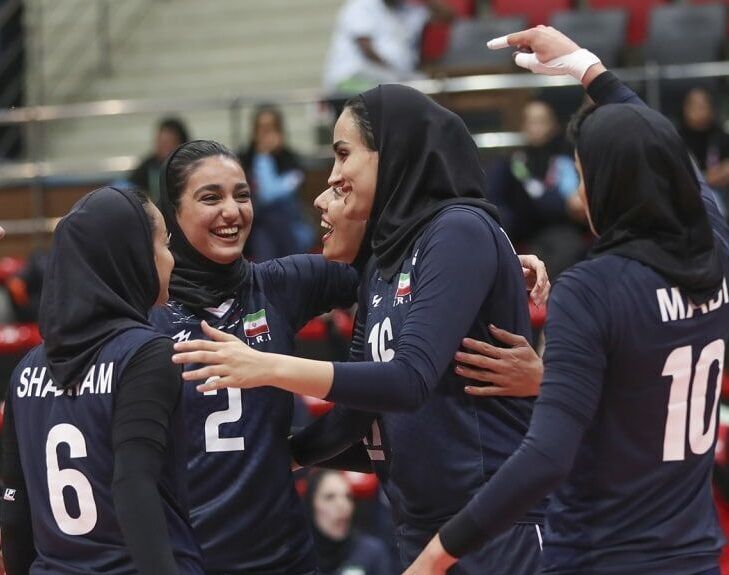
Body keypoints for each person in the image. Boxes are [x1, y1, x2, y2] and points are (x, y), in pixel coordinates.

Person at [173, 86, 549, 574]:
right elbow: (357, 414)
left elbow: (410, 379)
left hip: (490, 522)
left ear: (389, 151)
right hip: (419, 524)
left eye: (343, 154)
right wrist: (286, 454)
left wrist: (268, 366)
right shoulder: (384, 262)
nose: (332, 176)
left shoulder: (457, 229)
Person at [403, 27, 729, 575]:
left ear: (611, 184)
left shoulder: (592, 286)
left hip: (602, 556)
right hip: (695, 555)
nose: (580, 196)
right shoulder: (715, 251)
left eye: (584, 177)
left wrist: (438, 554)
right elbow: (672, 157)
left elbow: (547, 457)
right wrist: (586, 67)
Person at [0, 187, 204, 574]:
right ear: (131, 256)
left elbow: (12, 507)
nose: (172, 259)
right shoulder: (145, 353)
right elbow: (133, 487)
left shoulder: (24, 369)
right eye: (164, 243)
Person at [488, 98, 587, 276]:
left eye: (542, 121)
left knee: (565, 250)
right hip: (527, 233)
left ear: (554, 125)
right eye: (531, 121)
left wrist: (560, 205)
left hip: (564, 231)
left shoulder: (566, 160)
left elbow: (574, 205)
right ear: (523, 126)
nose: (536, 127)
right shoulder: (512, 163)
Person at [323, 0, 454, 94]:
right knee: (412, 91)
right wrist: (398, 75)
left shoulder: (408, 9)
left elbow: (447, 16)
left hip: (395, 78)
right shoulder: (361, 5)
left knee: (430, 87)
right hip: (353, 77)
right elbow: (367, 50)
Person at [239, 104, 312, 261]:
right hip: (257, 226)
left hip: (289, 224)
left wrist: (265, 157)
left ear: (280, 131)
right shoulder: (244, 160)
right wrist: (263, 155)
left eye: (271, 128)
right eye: (262, 129)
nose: (267, 135)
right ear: (254, 132)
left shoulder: (291, 159)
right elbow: (265, 196)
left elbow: (272, 193)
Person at [305, 469, 396, 575]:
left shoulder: (372, 553)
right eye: (330, 497)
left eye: (348, 497)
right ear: (311, 505)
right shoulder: (298, 556)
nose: (342, 505)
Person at [679, 87, 729, 205]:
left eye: (703, 105)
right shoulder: (676, 138)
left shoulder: (722, 136)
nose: (699, 110)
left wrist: (699, 179)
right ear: (685, 108)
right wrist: (710, 177)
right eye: (694, 106)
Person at [129, 117, 190, 202]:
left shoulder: (190, 164)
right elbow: (131, 186)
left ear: (180, 143)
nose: (161, 147)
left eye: (167, 143)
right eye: (159, 142)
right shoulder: (149, 165)